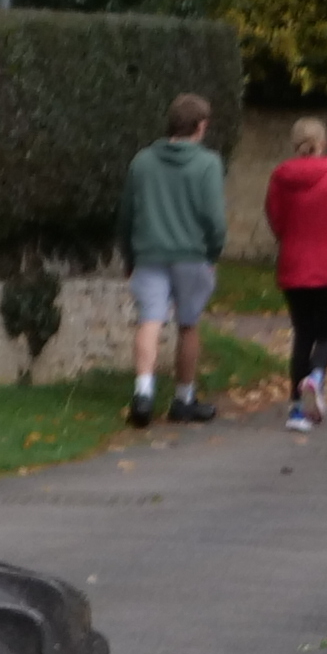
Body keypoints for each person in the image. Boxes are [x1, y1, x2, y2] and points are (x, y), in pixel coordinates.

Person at [123, 90, 228, 425]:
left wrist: (129, 254)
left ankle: (143, 392)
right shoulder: (207, 163)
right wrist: (213, 251)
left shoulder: (142, 161)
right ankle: (183, 398)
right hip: (192, 254)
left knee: (149, 320)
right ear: (200, 126)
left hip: (150, 253)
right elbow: (214, 218)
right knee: (188, 324)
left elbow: (127, 213)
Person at [262, 114, 327, 431]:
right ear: (323, 142)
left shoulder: (280, 177)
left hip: (294, 262)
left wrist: (290, 235)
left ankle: (295, 409)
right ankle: (317, 375)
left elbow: (275, 218)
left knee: (303, 333)